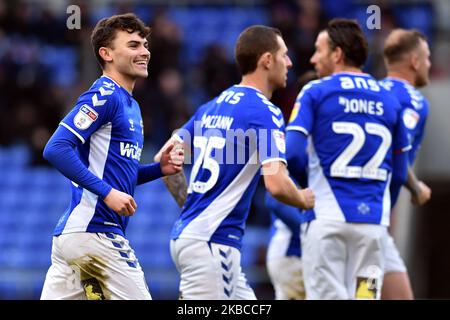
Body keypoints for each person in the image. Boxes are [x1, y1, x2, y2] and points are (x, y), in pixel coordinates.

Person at [154, 25, 314, 300]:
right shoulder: (266, 112)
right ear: (266, 60)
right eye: (284, 55)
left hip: (192, 237)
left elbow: (163, 159)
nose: (289, 63)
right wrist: (303, 198)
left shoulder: (211, 106)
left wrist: (193, 207)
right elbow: (275, 184)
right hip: (214, 244)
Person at [40, 13, 184, 300]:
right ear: (106, 54)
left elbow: (115, 172)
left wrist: (158, 169)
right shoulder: (104, 95)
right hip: (96, 234)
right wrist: (107, 193)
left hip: (76, 238)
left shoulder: (130, 105)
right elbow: (55, 148)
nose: (144, 51)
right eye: (133, 45)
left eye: (144, 44)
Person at [285, 19, 410, 299]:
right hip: (372, 229)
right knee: (365, 296)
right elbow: (400, 173)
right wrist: (379, 203)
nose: (313, 58)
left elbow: (291, 152)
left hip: (326, 221)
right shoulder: (391, 100)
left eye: (319, 50)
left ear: (337, 54)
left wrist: (308, 188)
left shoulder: (315, 91)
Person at [379, 28, 432, 300]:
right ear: (414, 61)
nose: (429, 64)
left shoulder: (374, 91)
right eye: (427, 57)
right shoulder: (414, 102)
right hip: (368, 222)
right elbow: (396, 158)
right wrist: (417, 188)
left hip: (363, 219)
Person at [265, 71, 318, 300]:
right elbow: (274, 198)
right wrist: (312, 235)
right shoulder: (298, 142)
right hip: (294, 252)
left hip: (305, 253)